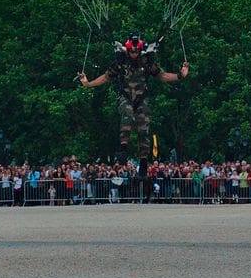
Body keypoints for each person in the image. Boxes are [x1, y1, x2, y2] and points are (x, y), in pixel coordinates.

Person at [77, 34, 189, 179]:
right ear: (128, 51)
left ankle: (143, 162)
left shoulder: (146, 62)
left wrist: (180, 75)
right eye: (132, 51)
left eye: (136, 51)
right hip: (126, 96)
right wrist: (88, 84)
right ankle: (123, 148)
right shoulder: (121, 63)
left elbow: (162, 76)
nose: (134, 54)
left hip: (142, 98)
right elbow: (105, 78)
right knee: (128, 114)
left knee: (144, 129)